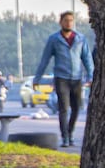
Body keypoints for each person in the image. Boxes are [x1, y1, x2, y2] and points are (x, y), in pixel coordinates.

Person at [33, 11, 94, 148]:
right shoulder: (54, 39)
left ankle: (70, 132)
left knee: (77, 108)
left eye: (71, 20)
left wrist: (91, 75)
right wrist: (37, 78)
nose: (69, 23)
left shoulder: (80, 38)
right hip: (61, 79)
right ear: (60, 22)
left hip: (77, 78)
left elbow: (87, 59)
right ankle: (65, 137)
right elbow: (45, 60)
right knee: (64, 109)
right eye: (66, 20)